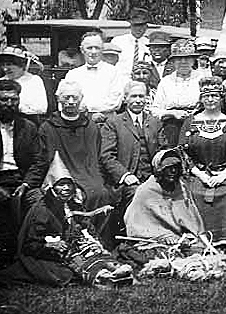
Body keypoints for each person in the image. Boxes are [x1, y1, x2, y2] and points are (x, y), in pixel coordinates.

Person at [0, 153, 132, 287]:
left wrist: (91, 237)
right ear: (51, 187)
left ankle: (116, 270)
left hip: (75, 245)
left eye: (69, 184)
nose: (66, 188)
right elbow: (30, 244)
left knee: (97, 253)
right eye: (61, 184)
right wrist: (50, 245)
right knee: (71, 268)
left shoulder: (72, 203)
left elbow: (85, 225)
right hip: (50, 253)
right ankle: (102, 277)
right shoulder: (42, 210)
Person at [30, 80, 113, 222]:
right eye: (66, 97)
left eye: (74, 97)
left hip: (88, 174)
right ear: (58, 99)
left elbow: (97, 158)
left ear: (81, 99)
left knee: (101, 193)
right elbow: (44, 160)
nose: (70, 101)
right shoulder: (47, 127)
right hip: (59, 175)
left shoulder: (90, 127)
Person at [180, 76, 226, 251]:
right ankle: (198, 240)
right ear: (201, 98)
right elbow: (183, 153)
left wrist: (223, 174)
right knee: (194, 192)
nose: (210, 99)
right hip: (198, 173)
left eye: (215, 96)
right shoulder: (191, 121)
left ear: (221, 98)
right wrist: (200, 174)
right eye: (206, 96)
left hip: (225, 173)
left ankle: (222, 241)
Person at [100, 81, 165, 235]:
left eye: (141, 96)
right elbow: (106, 155)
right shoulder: (114, 123)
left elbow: (163, 150)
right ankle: (137, 235)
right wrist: (125, 175)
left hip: (153, 177)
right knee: (138, 193)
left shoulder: (155, 122)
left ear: (147, 99)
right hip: (128, 180)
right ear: (125, 99)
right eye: (133, 96)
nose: (137, 100)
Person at [0, 79, 46, 263]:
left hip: (21, 180)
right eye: (4, 100)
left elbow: (38, 161)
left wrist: (27, 184)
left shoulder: (28, 127)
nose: (9, 104)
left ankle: (31, 251)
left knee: (39, 202)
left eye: (14, 100)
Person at [123, 149, 206, 247]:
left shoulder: (182, 189)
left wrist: (189, 236)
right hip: (153, 240)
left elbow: (191, 219)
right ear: (159, 170)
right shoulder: (146, 191)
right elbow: (136, 224)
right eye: (168, 167)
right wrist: (163, 235)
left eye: (176, 167)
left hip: (181, 239)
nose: (173, 171)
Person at [152, 39, 206, 146]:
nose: (183, 62)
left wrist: (194, 114)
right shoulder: (166, 81)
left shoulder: (202, 79)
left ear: (193, 60)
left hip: (198, 125)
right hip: (172, 126)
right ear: (173, 62)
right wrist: (172, 113)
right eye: (179, 59)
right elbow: (155, 110)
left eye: (187, 58)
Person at [64, 31, 123, 123]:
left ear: (102, 49)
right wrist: (89, 113)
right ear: (82, 50)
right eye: (89, 48)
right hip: (80, 121)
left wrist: (89, 109)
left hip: (107, 121)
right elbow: (67, 99)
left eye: (97, 48)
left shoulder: (114, 72)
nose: (93, 52)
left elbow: (115, 101)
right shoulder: (72, 74)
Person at [0, 46, 48, 120]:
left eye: (10, 64)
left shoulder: (35, 81)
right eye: (3, 64)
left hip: (28, 123)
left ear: (22, 65)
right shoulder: (1, 81)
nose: (5, 68)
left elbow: (41, 108)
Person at [111, 7, 152, 78]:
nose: (138, 29)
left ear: (146, 27)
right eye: (135, 25)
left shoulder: (149, 44)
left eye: (142, 26)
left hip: (141, 80)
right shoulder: (118, 41)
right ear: (130, 25)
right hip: (121, 81)